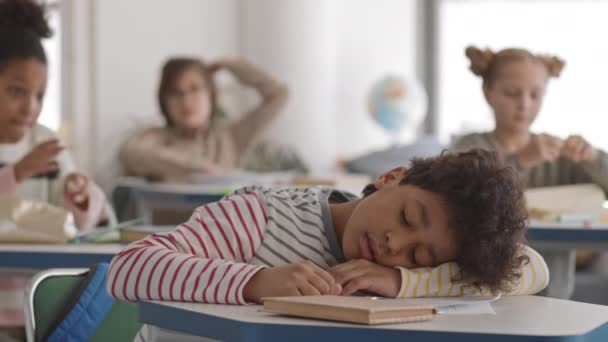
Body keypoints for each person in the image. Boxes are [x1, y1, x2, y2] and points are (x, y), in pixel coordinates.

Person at [108, 149, 548, 306]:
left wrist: (400, 282)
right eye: (407, 217)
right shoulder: (262, 215)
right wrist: (255, 282)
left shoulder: (398, 274)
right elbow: (128, 268)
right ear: (392, 176)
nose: (396, 244)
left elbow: (532, 268)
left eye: (418, 256)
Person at [0, 0, 109, 338]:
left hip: (41, 310)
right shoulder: (32, 156)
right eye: (16, 92)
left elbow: (81, 228)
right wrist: (16, 174)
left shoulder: (47, 143)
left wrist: (79, 197)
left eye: (40, 96)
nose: (30, 108)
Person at [452, 46, 608, 193]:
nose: (524, 105)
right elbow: (460, 195)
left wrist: (592, 158)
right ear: (487, 93)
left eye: (535, 95)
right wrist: (520, 161)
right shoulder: (469, 148)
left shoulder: (558, 156)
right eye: (512, 93)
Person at [120, 56, 296, 183]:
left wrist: (233, 65)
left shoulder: (232, 137)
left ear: (210, 94)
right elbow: (133, 154)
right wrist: (201, 168)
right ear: (163, 100)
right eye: (175, 93)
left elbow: (279, 94)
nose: (186, 101)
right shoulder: (156, 138)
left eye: (195, 89)